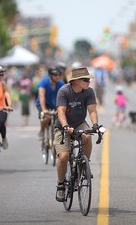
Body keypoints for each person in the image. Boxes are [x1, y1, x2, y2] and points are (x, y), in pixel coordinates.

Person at [53, 66, 101, 202]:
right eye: (86, 80)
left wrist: (95, 125)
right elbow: (61, 112)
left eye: (89, 79)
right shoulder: (64, 91)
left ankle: (85, 166)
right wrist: (66, 126)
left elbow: (92, 110)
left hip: (79, 123)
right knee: (64, 156)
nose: (89, 82)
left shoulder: (89, 92)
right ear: (77, 81)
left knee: (87, 136)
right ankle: (61, 185)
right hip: (63, 125)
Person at [36, 66, 65, 139]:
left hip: (55, 105)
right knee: (46, 118)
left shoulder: (61, 84)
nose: (57, 76)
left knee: (60, 118)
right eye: (55, 75)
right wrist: (44, 109)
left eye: (59, 74)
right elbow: (41, 95)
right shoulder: (44, 82)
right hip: (43, 104)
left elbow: (64, 97)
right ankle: (41, 131)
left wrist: (59, 109)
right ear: (50, 75)